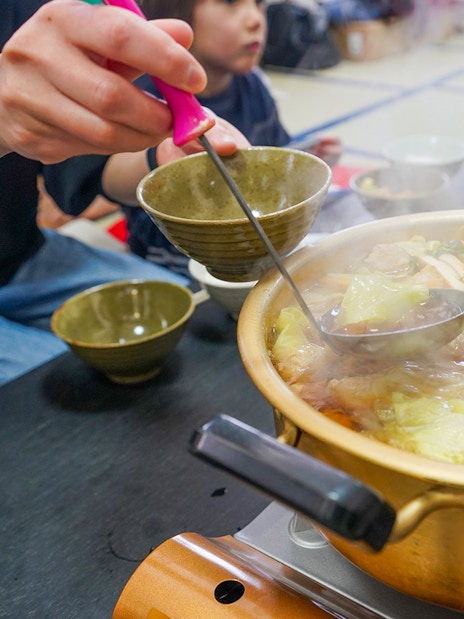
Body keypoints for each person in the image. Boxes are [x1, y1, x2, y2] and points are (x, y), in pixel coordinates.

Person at [0, 0, 248, 385]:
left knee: (189, 306)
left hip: (22, 256)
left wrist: (161, 161)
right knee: (53, 384)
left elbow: (88, 166)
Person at [98, 0, 342, 275]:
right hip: (174, 262)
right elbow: (106, 177)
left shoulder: (253, 85)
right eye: (230, 3)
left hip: (259, 252)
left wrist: (307, 162)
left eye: (259, 4)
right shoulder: (141, 93)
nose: (255, 20)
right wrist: (157, 158)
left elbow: (276, 153)